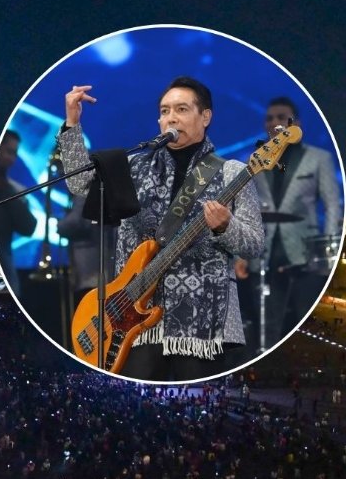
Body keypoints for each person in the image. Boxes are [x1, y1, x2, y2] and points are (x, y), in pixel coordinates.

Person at [60, 77, 264, 381]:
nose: (171, 117)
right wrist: (72, 124)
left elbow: (255, 244)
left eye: (181, 109)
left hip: (202, 324)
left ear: (205, 116)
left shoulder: (231, 173)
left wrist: (226, 226)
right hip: (131, 319)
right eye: (164, 110)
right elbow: (78, 184)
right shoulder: (133, 167)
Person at [253, 96, 341, 343]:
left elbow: (333, 204)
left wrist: (328, 250)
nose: (275, 122)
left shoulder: (319, 158)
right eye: (270, 118)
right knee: (267, 320)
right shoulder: (258, 159)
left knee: (304, 312)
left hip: (305, 251)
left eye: (282, 117)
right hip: (267, 251)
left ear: (296, 123)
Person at [0, 129, 38, 298]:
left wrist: (6, 191)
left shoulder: (14, 190)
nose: (12, 159)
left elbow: (29, 227)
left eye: (15, 154)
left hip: (5, 277)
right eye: (8, 152)